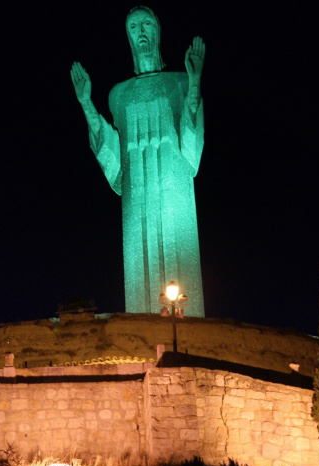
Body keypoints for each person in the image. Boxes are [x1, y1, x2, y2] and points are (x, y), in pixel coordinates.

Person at [71, 6, 206, 316]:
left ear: (157, 30)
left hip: (176, 192)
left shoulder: (179, 82)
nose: (141, 32)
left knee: (181, 274)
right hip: (137, 198)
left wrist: (195, 80)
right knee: (140, 275)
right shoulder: (119, 96)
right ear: (128, 37)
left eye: (147, 24)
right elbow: (115, 158)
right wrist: (86, 103)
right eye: (134, 27)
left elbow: (191, 143)